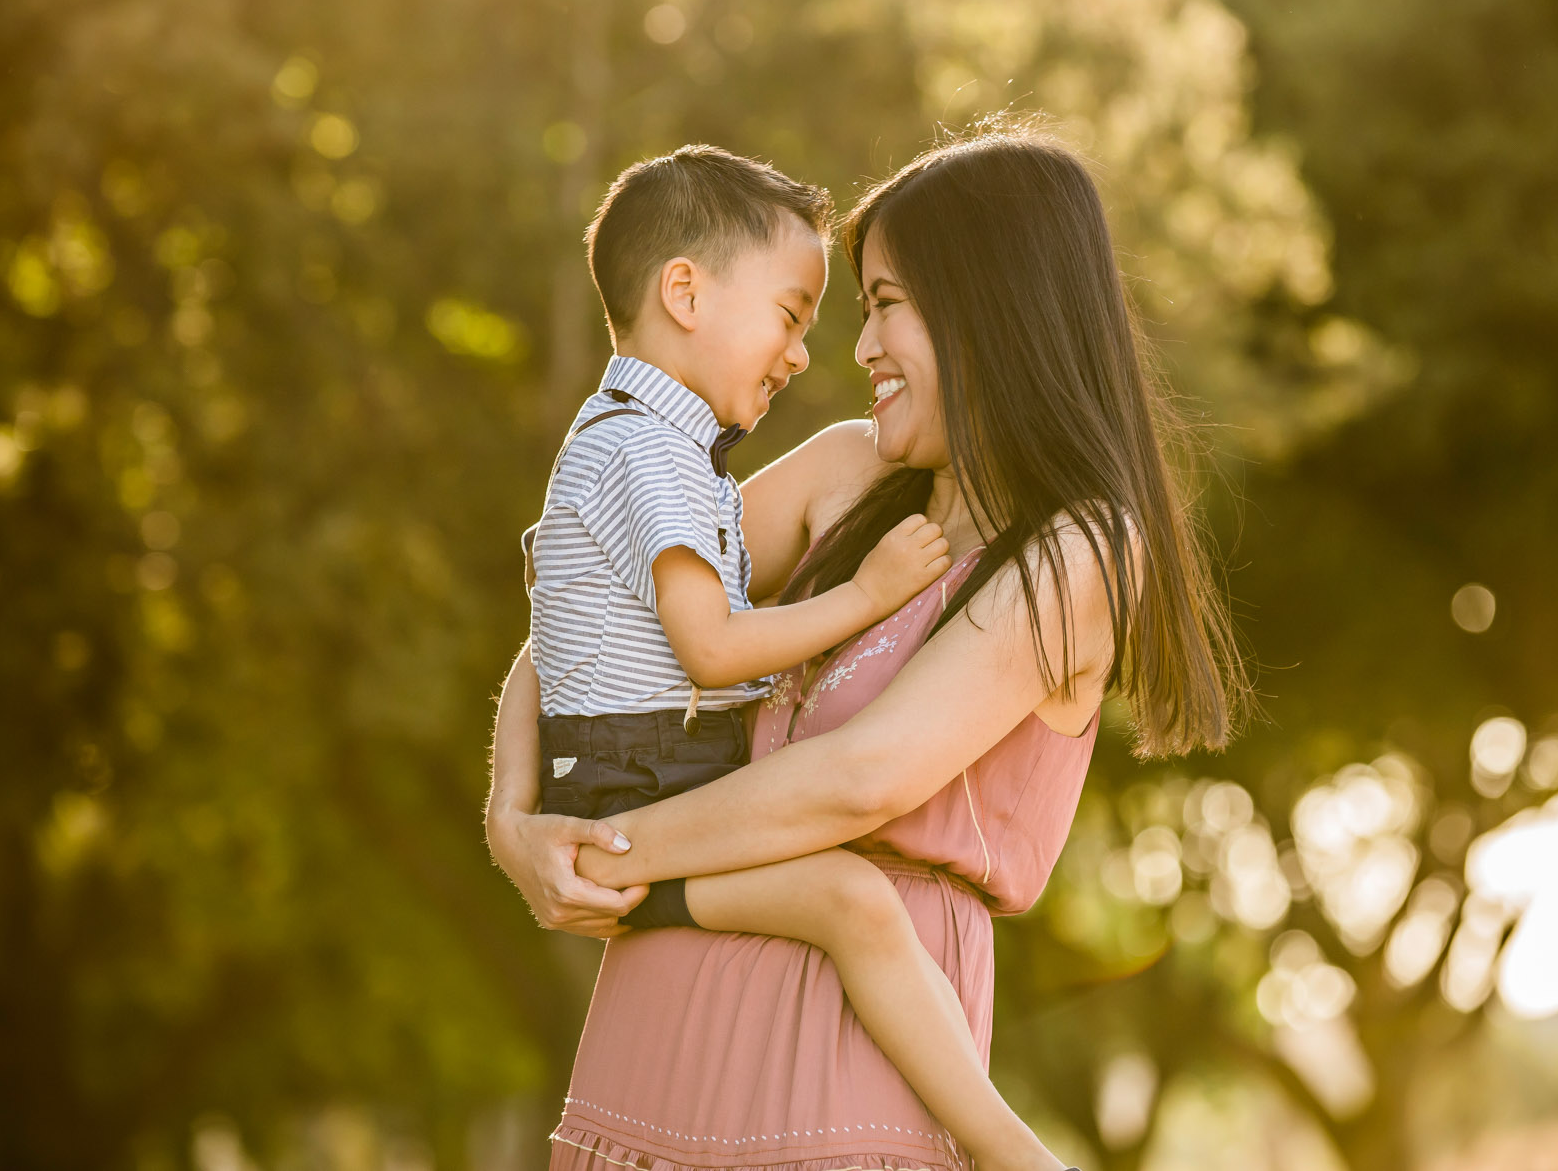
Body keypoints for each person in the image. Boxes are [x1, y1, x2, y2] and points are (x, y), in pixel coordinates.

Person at [486, 121, 1239, 1171]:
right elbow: (585, 612)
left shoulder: (1077, 547)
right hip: (645, 1052)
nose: (858, 349)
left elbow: (858, 780)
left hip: (843, 1085)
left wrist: (606, 856)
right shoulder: (841, 474)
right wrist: (513, 818)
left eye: (885, 305)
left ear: (988, 306)